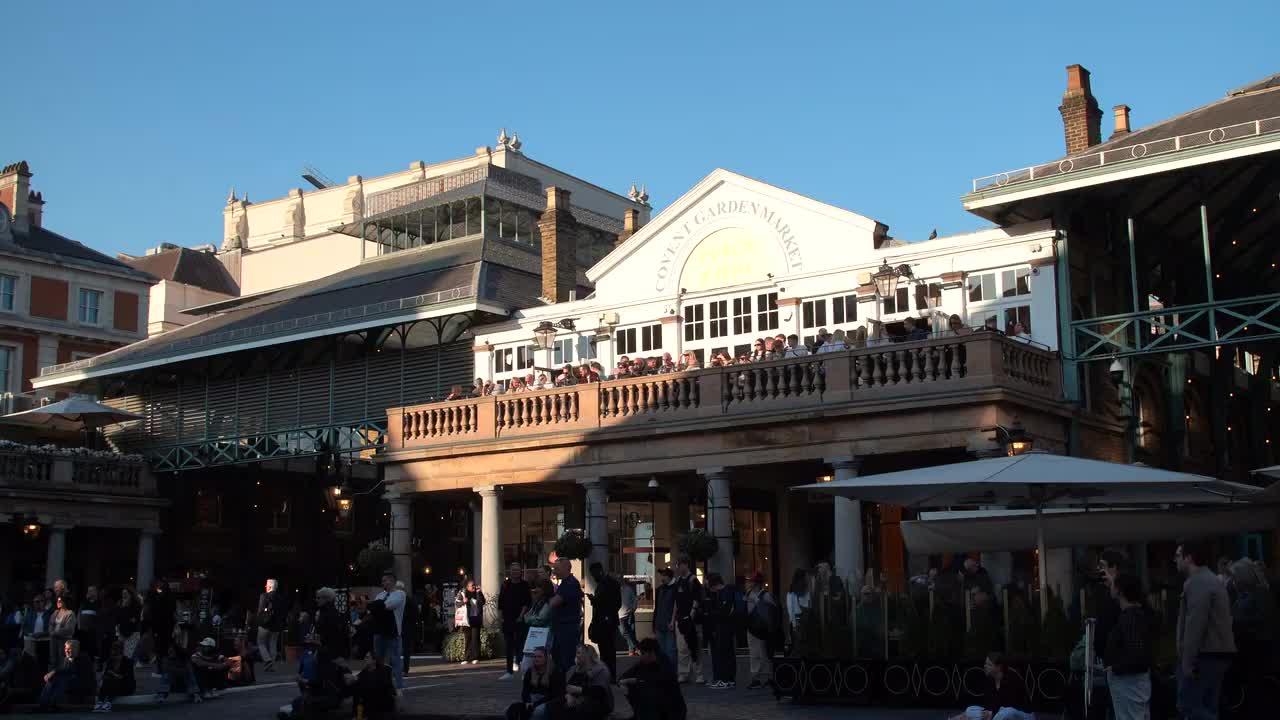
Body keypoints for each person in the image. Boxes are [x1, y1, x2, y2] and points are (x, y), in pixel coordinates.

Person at [1175, 540, 1236, 720]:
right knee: (1208, 705)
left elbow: (1195, 625)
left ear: (1189, 558)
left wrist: (1187, 662)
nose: (1174, 559)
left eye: (1178, 555)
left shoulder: (1198, 582)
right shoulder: (1211, 580)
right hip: (1216, 654)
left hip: (1205, 656)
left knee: (1187, 704)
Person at [1228, 558, 1273, 718]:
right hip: (1244, 648)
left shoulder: (1260, 594)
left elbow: (1263, 620)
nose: (1233, 581)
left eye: (1235, 577)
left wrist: (1235, 622)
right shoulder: (1242, 595)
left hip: (1256, 651)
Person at [1103, 574, 1152, 720]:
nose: (1110, 587)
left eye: (1113, 584)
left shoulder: (1130, 617)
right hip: (1132, 682)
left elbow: (1136, 655)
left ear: (1120, 591)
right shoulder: (1137, 614)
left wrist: (1114, 668)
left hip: (1128, 683)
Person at [949, 652, 1032, 720]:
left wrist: (992, 713)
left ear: (998, 667)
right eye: (985, 664)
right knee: (970, 709)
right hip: (997, 712)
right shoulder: (990, 680)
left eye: (989, 664)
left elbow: (1012, 704)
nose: (985, 666)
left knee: (1005, 713)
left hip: (1020, 714)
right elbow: (988, 702)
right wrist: (987, 713)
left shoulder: (1012, 678)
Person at [619, 637, 686, 720]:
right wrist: (625, 683)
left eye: (643, 653)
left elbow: (654, 683)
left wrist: (636, 681)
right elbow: (625, 676)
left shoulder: (664, 665)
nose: (641, 657)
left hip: (671, 711)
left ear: (651, 653)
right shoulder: (643, 664)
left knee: (645, 689)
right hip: (654, 708)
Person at [370, 571, 407, 691]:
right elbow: (373, 608)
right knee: (378, 660)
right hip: (379, 631)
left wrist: (378, 606)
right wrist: (377, 606)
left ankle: (398, 686)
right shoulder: (380, 595)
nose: (382, 583)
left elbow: (389, 605)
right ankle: (380, 684)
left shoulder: (400, 594)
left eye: (385, 580)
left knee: (395, 660)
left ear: (392, 581)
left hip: (393, 632)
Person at [553, 644, 612, 719]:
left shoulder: (601, 670)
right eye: (576, 653)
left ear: (588, 655)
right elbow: (563, 686)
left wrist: (578, 690)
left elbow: (600, 691)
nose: (577, 656)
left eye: (579, 653)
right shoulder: (573, 669)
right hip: (569, 701)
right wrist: (567, 696)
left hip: (593, 705)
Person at [702, 573, 740, 689]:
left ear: (714, 584)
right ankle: (729, 679)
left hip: (723, 627)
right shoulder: (726, 592)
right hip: (727, 626)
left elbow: (724, 611)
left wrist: (711, 613)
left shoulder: (725, 593)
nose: (710, 588)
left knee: (723, 653)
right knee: (728, 653)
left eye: (710, 585)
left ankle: (724, 679)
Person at [586, 562, 621, 683]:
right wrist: (594, 600)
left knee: (608, 651)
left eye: (593, 574)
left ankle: (610, 676)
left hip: (607, 623)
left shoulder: (610, 584)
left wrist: (597, 603)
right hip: (603, 622)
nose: (593, 577)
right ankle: (607, 675)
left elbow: (614, 603)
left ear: (599, 571)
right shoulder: (603, 583)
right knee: (605, 651)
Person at [506, 646, 563, 720]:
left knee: (537, 712)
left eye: (539, 657)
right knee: (511, 709)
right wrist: (528, 701)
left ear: (546, 658)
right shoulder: (530, 672)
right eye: (535, 657)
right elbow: (525, 691)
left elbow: (553, 694)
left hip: (547, 702)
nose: (536, 659)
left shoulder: (554, 672)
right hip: (531, 700)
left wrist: (535, 704)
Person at [548, 558, 583, 679]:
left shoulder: (570, 584)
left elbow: (554, 602)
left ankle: (568, 684)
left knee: (566, 660)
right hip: (562, 627)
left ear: (566, 568)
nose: (554, 571)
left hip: (567, 628)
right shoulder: (565, 583)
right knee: (558, 658)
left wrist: (546, 598)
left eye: (557, 568)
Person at [671, 558, 703, 684]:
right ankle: (683, 673)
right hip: (680, 619)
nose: (678, 568)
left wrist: (691, 615)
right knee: (682, 648)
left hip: (691, 620)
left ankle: (699, 674)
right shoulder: (678, 581)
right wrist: (673, 619)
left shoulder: (693, 580)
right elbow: (676, 602)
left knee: (695, 647)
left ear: (685, 565)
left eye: (679, 565)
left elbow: (697, 599)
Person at [744, 572, 779, 689]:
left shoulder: (766, 595)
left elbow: (770, 612)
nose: (748, 583)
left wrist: (757, 600)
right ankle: (757, 678)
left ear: (756, 583)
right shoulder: (749, 594)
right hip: (752, 628)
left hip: (762, 630)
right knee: (754, 654)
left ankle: (768, 677)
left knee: (764, 653)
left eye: (750, 581)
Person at [39, 638, 95, 710]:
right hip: (71, 681)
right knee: (52, 679)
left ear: (76, 649)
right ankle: (44, 703)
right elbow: (62, 669)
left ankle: (52, 704)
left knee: (61, 679)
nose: (66, 651)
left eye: (69, 649)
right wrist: (52, 674)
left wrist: (54, 672)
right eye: (65, 648)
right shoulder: (67, 659)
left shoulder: (84, 658)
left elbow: (71, 671)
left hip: (83, 684)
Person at [499, 562, 533, 678]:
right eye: (513, 570)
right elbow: (501, 602)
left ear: (520, 572)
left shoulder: (525, 585)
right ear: (510, 571)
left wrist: (521, 616)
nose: (515, 572)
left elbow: (527, 602)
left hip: (520, 619)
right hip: (507, 619)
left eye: (517, 570)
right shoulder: (505, 584)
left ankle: (521, 667)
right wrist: (501, 618)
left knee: (520, 644)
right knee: (509, 645)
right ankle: (509, 671)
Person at [350, 651, 395, 720]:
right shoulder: (366, 670)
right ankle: (358, 716)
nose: (365, 659)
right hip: (369, 699)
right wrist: (353, 678)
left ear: (374, 660)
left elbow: (382, 687)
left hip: (381, 700)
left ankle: (360, 715)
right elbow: (358, 677)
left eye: (367, 657)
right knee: (356, 688)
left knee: (360, 689)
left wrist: (361, 681)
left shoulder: (383, 671)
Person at [94, 639, 135, 712]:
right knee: (107, 680)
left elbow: (126, 677)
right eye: (114, 648)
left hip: (124, 685)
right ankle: (100, 701)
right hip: (111, 683)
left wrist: (114, 674)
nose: (115, 651)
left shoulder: (127, 661)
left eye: (117, 648)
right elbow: (105, 673)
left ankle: (108, 702)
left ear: (121, 650)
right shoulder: (111, 660)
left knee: (113, 680)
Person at [145, 579, 175, 678]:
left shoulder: (159, 594)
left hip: (159, 625)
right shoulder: (168, 594)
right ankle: (164, 670)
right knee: (164, 648)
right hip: (166, 625)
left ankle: (161, 671)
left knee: (160, 649)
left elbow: (153, 607)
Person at [257, 578, 288, 672]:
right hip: (276, 626)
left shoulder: (264, 596)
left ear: (270, 587)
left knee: (261, 643)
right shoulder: (281, 598)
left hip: (265, 624)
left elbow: (260, 610)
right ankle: (271, 666)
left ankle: (267, 659)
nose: (265, 587)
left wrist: (259, 619)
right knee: (273, 644)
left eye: (266, 585)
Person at [312, 587, 348, 661]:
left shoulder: (328, 614)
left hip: (329, 653)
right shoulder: (327, 612)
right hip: (329, 652)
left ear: (326, 599)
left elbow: (331, 635)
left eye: (318, 598)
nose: (316, 600)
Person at [456, 578, 486, 665]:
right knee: (467, 639)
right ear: (467, 587)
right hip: (466, 619)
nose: (474, 587)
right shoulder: (462, 593)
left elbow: (483, 602)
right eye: (472, 585)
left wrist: (479, 592)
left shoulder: (477, 593)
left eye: (474, 585)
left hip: (475, 618)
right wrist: (463, 602)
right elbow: (457, 603)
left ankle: (475, 657)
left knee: (475, 639)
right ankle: (466, 658)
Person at [653, 568, 677, 672]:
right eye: (661, 576)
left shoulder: (675, 588)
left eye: (663, 576)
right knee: (661, 650)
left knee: (670, 650)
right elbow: (657, 608)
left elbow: (676, 607)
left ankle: (671, 672)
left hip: (669, 624)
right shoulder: (660, 589)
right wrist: (654, 623)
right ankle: (663, 671)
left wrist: (672, 621)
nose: (661, 578)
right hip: (660, 623)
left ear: (669, 577)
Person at [48, 594, 77, 672]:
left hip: (64, 640)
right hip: (53, 640)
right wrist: (51, 632)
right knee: (53, 660)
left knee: (62, 660)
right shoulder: (55, 612)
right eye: (57, 601)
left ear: (65, 602)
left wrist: (55, 632)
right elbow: (50, 624)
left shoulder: (70, 613)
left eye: (60, 601)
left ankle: (62, 677)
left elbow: (69, 629)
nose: (58, 602)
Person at [785, 569, 810, 655]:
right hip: (803, 621)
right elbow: (807, 607)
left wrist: (794, 625)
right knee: (802, 647)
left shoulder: (791, 593)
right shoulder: (804, 592)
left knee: (798, 647)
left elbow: (791, 611)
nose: (807, 579)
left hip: (798, 621)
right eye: (806, 577)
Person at [78, 586, 101, 667]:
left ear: (96, 592)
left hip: (93, 631)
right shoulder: (83, 602)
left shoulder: (99, 603)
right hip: (83, 630)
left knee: (92, 650)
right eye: (89, 591)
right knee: (83, 649)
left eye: (92, 591)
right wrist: (79, 626)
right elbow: (79, 614)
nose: (90, 592)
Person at [619, 579, 639, 656]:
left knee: (631, 632)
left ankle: (631, 650)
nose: (619, 581)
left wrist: (633, 609)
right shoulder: (615, 589)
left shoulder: (628, 589)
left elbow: (634, 599)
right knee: (623, 632)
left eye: (620, 579)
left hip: (629, 613)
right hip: (620, 615)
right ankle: (637, 647)